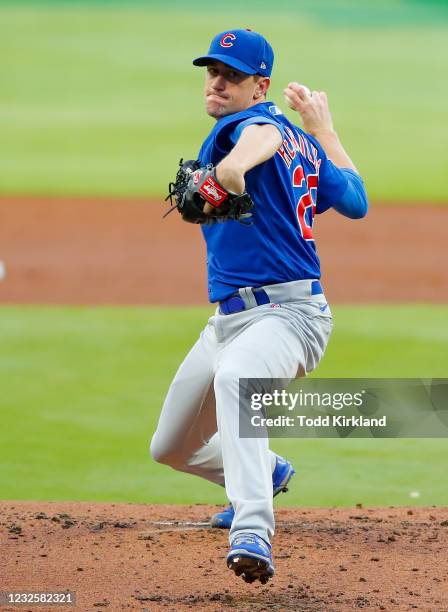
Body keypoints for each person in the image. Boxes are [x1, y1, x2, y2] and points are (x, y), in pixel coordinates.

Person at [151, 28, 368, 584]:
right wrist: (325, 132)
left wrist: (232, 168)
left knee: (237, 381)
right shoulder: (305, 142)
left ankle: (252, 528)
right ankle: (264, 472)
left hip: (290, 317)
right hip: (228, 321)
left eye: (232, 76)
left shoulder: (253, 127)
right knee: (171, 447)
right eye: (212, 73)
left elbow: (264, 133)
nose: (217, 84)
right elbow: (356, 200)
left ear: (260, 86)